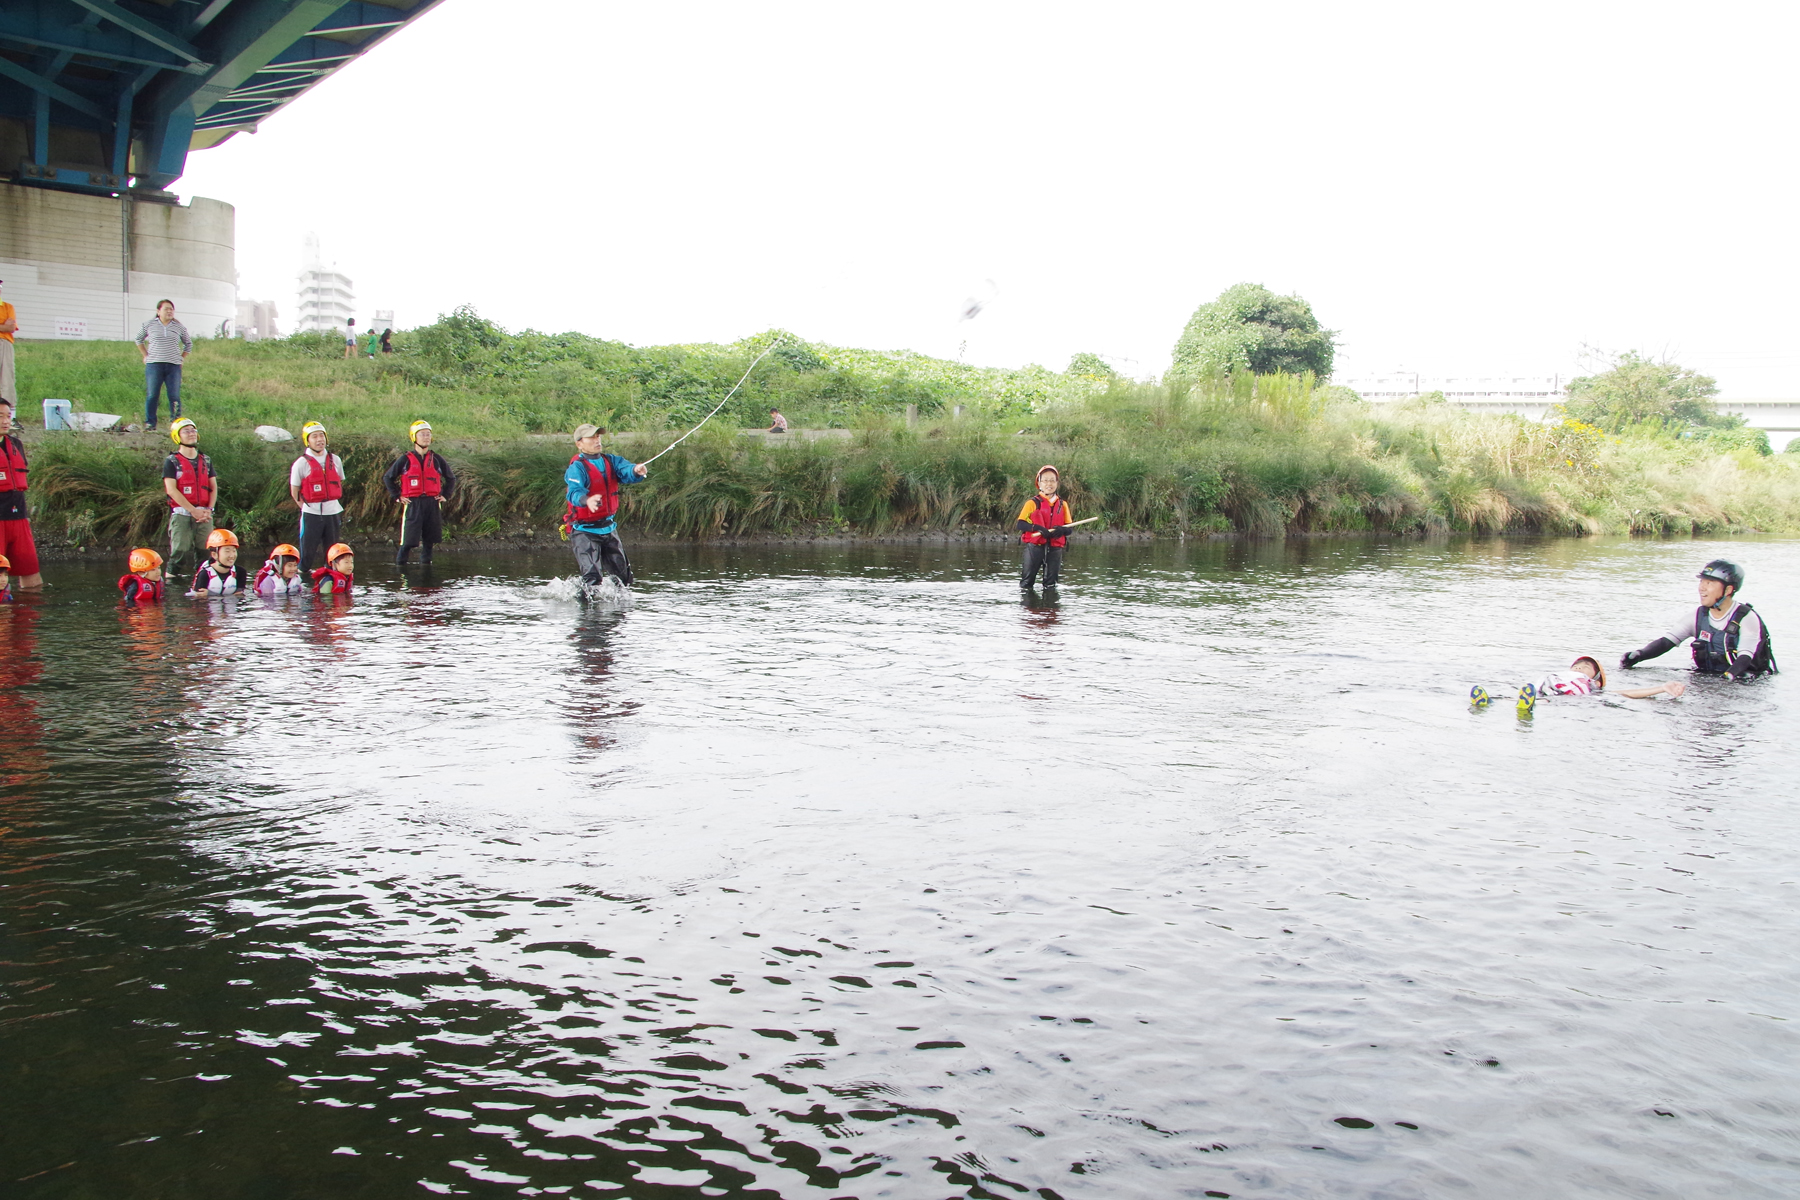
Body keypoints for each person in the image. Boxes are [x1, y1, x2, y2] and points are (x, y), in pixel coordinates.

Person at [1620, 559, 1778, 682]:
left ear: (1728, 590)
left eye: (1709, 583)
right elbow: (1666, 642)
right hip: (1711, 677)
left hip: (1743, 681)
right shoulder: (1697, 616)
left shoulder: (1747, 618)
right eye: (1702, 582)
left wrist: (1728, 677)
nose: (1702, 588)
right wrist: (1638, 655)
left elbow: (1745, 657)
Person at [563, 424, 648, 587]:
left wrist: (636, 470)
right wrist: (587, 500)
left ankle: (620, 610)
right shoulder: (577, 468)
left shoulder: (611, 461)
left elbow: (626, 470)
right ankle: (586, 609)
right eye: (591, 437)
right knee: (593, 580)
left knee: (623, 579)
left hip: (608, 528)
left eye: (598, 437)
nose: (597, 440)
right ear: (579, 443)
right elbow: (574, 492)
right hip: (584, 531)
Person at [1472, 655, 1686, 712]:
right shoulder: (1561, 674)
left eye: (1586, 667)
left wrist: (1661, 688)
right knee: (1527, 695)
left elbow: (1625, 693)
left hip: (1569, 698)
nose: (1580, 668)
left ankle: (1528, 704)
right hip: (1545, 686)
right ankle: (1490, 702)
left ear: (1596, 680)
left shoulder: (1592, 688)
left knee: (1546, 701)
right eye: (1578, 665)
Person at [382, 420, 456, 566]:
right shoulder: (405, 459)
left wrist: (445, 495)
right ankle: (401, 568)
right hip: (413, 503)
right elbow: (388, 477)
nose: (426, 437)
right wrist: (397, 496)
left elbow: (451, 478)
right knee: (408, 541)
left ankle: (427, 571)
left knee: (429, 541)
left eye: (428, 434)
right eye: (422, 434)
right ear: (414, 437)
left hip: (432, 502)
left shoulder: (436, 459)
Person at [161, 417, 219, 577]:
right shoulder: (171, 461)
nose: (191, 433)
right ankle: (171, 582)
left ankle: (202, 583)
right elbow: (171, 490)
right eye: (186, 431)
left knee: (206, 552)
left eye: (193, 430)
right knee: (180, 550)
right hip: (182, 513)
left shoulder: (206, 460)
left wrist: (209, 510)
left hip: (205, 514)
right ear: (177, 436)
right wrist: (193, 511)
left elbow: (213, 487)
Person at [289, 421, 347, 571]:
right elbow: (294, 490)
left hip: (332, 512)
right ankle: (302, 585)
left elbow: (339, 481)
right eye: (314, 436)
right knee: (307, 554)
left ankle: (331, 585)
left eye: (321, 436)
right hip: (311, 513)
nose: (319, 439)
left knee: (332, 555)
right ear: (307, 441)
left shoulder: (336, 460)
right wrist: (305, 507)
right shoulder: (301, 463)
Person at [0, 398, 42, 591]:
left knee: (32, 576)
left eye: (8, 416)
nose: (5, 421)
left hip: (19, 517)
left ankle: (27, 617)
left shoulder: (16, 444)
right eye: (0, 416)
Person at [136, 299, 191, 432]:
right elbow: (139, 339)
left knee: (174, 396)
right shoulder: (149, 325)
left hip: (173, 366)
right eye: (166, 309)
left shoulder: (179, 327)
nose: (169, 311)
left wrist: (181, 358)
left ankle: (176, 423)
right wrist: (145, 355)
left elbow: (188, 344)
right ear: (158, 311)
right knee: (152, 394)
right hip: (154, 364)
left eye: (171, 309)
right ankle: (150, 423)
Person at [1016, 464, 1073, 590]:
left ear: (1057, 483)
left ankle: (1050, 607)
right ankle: (1028, 606)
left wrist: (1062, 530)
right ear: (1039, 484)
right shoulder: (1032, 503)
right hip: (1035, 547)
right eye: (1045, 480)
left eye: (1052, 480)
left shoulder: (1062, 505)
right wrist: (1038, 528)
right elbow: (1020, 524)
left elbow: (1069, 529)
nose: (1049, 484)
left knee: (1051, 585)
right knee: (1027, 583)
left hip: (1054, 548)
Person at [187, 529, 247, 596]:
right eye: (227, 551)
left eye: (234, 551)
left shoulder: (240, 572)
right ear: (214, 555)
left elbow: (239, 597)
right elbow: (199, 600)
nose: (232, 555)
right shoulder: (205, 574)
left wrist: (209, 594)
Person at [0, 277, 18, 406]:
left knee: (6, 378)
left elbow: (11, 327)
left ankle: (10, 415)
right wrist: (3, 326)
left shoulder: (7, 307)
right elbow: (5, 327)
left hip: (4, 343)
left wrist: (6, 327)